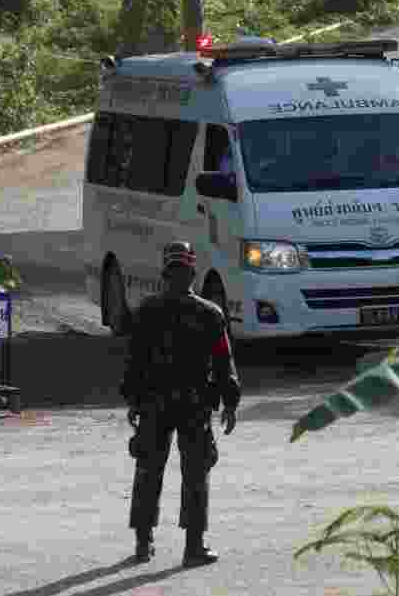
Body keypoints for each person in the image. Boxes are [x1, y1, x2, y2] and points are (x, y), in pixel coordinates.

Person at [121, 241, 241, 567]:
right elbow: (223, 363)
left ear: (165, 274)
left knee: (147, 471)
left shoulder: (147, 310)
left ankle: (143, 545)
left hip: (154, 404)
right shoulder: (209, 313)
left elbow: (134, 363)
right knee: (196, 474)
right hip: (194, 405)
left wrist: (133, 401)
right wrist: (229, 404)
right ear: (192, 274)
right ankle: (194, 547)